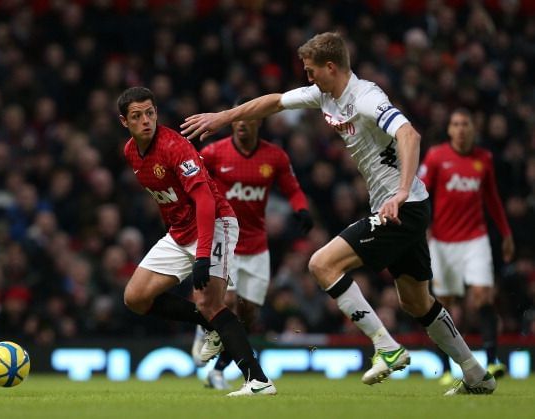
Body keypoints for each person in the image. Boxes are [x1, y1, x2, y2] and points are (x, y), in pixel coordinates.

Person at [181, 31, 495, 395]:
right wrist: (224, 117)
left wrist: (402, 192)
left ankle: (386, 347)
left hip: (402, 206)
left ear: (331, 67)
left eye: (312, 71)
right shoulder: (324, 94)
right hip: (401, 207)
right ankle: (475, 373)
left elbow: (410, 135)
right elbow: (274, 102)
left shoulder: (366, 98)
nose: (308, 78)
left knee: (322, 264)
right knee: (415, 301)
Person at [117, 86, 276, 396]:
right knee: (135, 297)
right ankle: (211, 326)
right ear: (125, 122)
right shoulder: (130, 152)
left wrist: (202, 255)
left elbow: (204, 199)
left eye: (150, 113)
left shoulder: (175, 147)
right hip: (179, 232)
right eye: (137, 116)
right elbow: (166, 197)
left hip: (215, 224)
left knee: (210, 303)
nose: (146, 120)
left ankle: (258, 380)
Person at [190, 98, 313, 389]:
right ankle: (203, 330)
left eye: (249, 118)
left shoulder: (275, 158)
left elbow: (293, 189)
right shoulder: (213, 153)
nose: (242, 124)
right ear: (232, 122)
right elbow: (193, 183)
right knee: (227, 302)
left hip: (258, 246)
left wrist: (301, 208)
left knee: (248, 315)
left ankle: (218, 370)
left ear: (259, 121)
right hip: (226, 241)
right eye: (237, 119)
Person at [419, 108, 514, 385]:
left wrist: (506, 233)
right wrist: (420, 227)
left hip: (475, 238)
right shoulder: (436, 156)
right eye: (456, 124)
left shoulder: (484, 159)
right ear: (449, 130)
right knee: (442, 306)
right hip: (442, 242)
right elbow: (421, 192)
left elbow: (492, 198)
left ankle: (492, 361)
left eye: (465, 124)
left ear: (473, 129)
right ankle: (447, 369)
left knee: (483, 296)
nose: (460, 129)